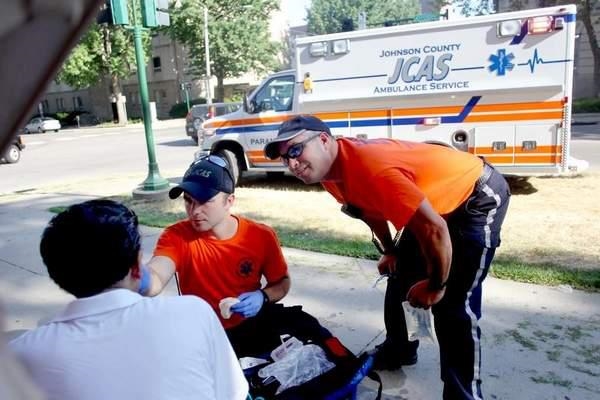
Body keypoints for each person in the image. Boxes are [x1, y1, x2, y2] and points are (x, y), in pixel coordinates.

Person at [264, 115, 511, 400]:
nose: (292, 164)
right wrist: (391, 252)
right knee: (400, 277)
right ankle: (400, 349)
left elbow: (434, 229)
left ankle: (463, 395)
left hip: (476, 195)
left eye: (295, 150)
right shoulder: (330, 174)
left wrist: (436, 285)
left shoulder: (370, 167)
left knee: (453, 305)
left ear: (323, 140)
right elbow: (368, 211)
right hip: (432, 207)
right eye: (284, 158)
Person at [9, 199, 248, 400]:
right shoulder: (193, 313)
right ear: (136, 265)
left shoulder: (19, 356)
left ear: (57, 274)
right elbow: (233, 393)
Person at [144, 156, 324, 357]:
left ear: (229, 201)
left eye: (205, 201)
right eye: (188, 200)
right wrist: (140, 277)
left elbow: (281, 283)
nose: (194, 211)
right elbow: (157, 275)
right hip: (203, 333)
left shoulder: (260, 236)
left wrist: (263, 297)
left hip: (251, 326)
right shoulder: (176, 236)